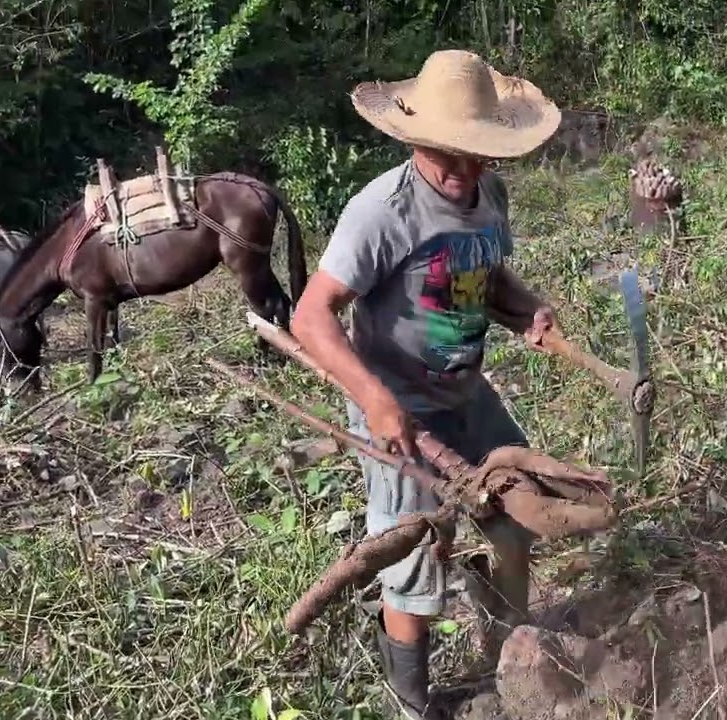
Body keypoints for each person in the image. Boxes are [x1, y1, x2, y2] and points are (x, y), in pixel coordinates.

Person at [289, 49, 562, 719]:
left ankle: (509, 664)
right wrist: (375, 398)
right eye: (448, 154)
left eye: (478, 155)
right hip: (399, 408)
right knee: (410, 567)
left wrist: (526, 310)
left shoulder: (488, 196)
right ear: (414, 138)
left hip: (466, 396)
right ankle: (411, 705)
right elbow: (309, 316)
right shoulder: (382, 211)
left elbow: (486, 276)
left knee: (516, 514)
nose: (463, 170)